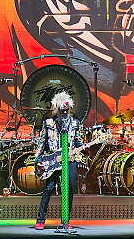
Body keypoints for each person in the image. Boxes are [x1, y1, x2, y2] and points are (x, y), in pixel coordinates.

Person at [35, 91, 84, 230]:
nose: (64, 113)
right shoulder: (49, 123)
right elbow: (42, 143)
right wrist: (38, 160)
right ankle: (40, 219)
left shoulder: (75, 123)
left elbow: (77, 140)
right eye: (62, 110)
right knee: (49, 188)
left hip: (70, 158)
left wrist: (84, 147)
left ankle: (65, 219)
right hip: (53, 160)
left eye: (66, 110)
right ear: (57, 109)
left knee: (69, 187)